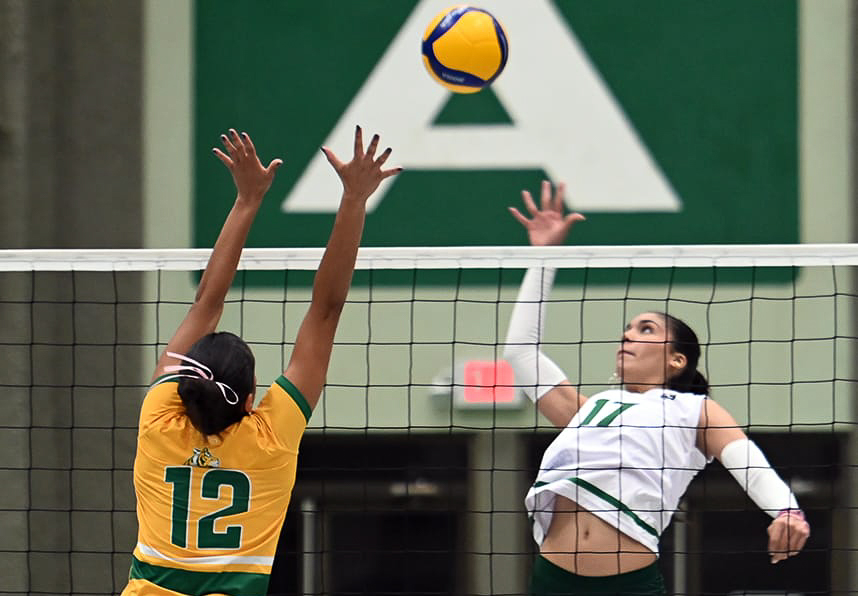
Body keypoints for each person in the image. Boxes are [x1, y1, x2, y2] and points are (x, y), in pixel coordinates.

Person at [121, 127, 400, 596]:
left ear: (183, 382)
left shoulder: (159, 420)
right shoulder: (269, 440)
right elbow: (325, 310)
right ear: (251, 400)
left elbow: (205, 304)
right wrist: (355, 198)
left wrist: (245, 200)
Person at [504, 181, 811, 596]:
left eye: (645, 329)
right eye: (626, 329)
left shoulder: (694, 411)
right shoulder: (591, 410)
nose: (627, 336)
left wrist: (787, 511)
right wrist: (545, 258)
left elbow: (748, 463)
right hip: (552, 582)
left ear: (676, 360)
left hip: (631, 585)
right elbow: (520, 352)